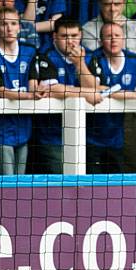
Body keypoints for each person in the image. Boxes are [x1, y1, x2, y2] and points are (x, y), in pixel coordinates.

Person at [0, 7, 51, 175]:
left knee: (21, 183)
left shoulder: (30, 51)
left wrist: (38, 91)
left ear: (19, 27)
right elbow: (1, 91)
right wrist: (29, 96)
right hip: (1, 129)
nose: (9, 28)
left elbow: (32, 83)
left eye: (13, 23)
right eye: (4, 24)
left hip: (24, 128)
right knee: (8, 182)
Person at [86, 22, 136, 174]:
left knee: (120, 180)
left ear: (123, 39)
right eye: (108, 36)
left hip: (121, 134)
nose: (113, 40)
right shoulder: (94, 59)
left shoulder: (134, 60)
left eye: (117, 36)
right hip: (93, 133)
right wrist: (133, 94)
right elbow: (95, 89)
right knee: (93, 185)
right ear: (100, 41)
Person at [34, 17, 103, 174]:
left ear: (81, 36)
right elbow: (52, 89)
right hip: (51, 135)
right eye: (65, 36)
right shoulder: (45, 55)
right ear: (54, 37)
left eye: (74, 36)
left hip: (85, 134)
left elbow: (95, 88)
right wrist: (87, 93)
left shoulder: (89, 56)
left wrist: (80, 64)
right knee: (61, 187)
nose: (70, 41)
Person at [82, 0, 136, 69]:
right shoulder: (87, 29)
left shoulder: (134, 26)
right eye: (107, 4)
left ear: (123, 5)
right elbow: (99, 61)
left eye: (117, 4)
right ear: (100, 5)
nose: (112, 9)